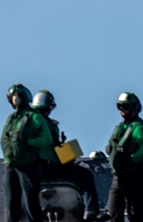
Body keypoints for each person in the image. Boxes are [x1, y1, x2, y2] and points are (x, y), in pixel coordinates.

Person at [32, 89, 108, 221]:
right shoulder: (46, 124)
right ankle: (91, 210)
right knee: (86, 175)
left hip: (33, 168)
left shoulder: (27, 121)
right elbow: (51, 150)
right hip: (49, 167)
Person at [1, 83, 53, 222]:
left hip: (28, 165)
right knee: (11, 204)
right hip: (10, 166)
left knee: (31, 203)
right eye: (13, 97)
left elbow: (47, 139)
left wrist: (29, 142)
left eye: (17, 97)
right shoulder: (11, 118)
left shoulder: (33, 117)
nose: (15, 100)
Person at [106, 92, 143, 222]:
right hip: (119, 176)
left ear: (135, 108)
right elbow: (113, 144)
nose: (122, 110)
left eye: (125, 106)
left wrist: (132, 158)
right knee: (113, 209)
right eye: (119, 106)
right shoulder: (121, 126)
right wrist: (110, 150)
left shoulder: (139, 128)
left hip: (134, 175)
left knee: (134, 213)